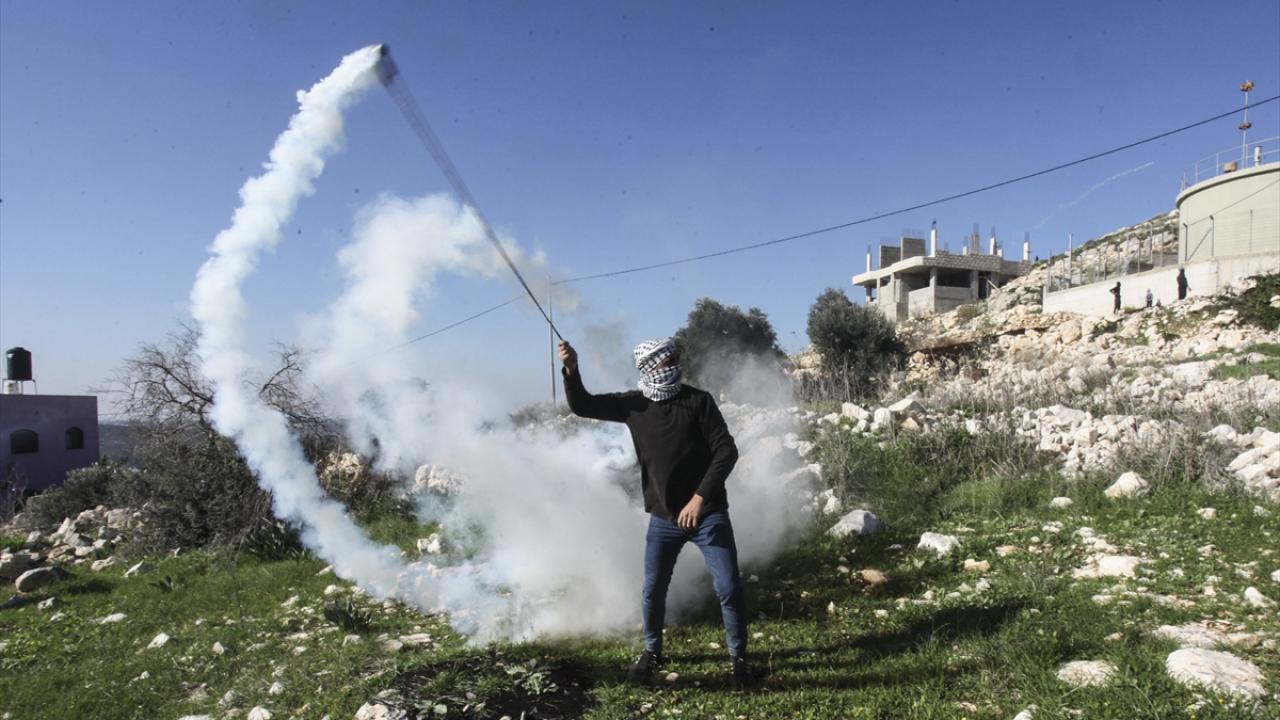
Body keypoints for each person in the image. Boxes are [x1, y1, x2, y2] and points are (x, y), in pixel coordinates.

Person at [557, 337, 754, 689]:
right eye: (668, 360)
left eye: (676, 358)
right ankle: (652, 651)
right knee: (653, 589)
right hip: (663, 518)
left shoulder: (698, 401)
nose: (676, 364)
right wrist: (571, 369)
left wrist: (699, 499)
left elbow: (726, 451)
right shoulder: (632, 405)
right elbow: (582, 405)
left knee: (728, 587)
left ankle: (739, 659)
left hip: (707, 514)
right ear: (650, 367)